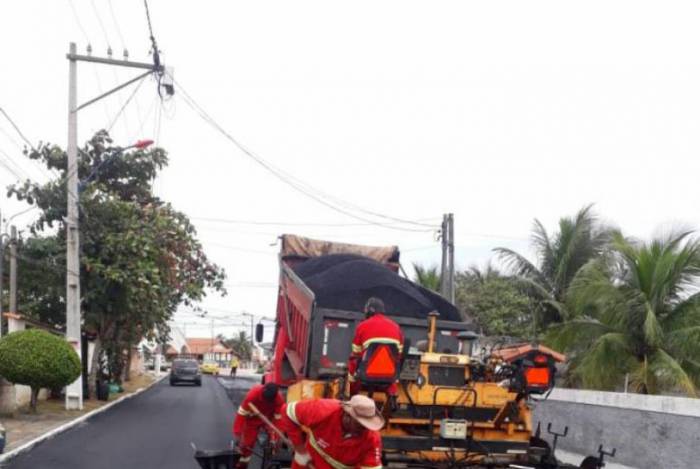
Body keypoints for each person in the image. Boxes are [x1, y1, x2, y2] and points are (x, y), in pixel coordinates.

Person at [278, 395, 384, 469]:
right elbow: (287, 412)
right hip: (308, 463)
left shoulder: (372, 437)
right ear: (348, 416)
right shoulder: (322, 410)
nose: (365, 429)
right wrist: (300, 450)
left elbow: (372, 466)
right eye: (360, 424)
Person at [348, 297, 404, 396]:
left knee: (354, 361)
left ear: (369, 310)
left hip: (367, 376)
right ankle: (392, 395)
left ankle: (353, 395)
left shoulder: (362, 326)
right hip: (389, 377)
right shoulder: (396, 327)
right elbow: (399, 356)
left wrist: (352, 384)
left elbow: (356, 355)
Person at [232, 382, 284, 469]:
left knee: (273, 443)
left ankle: (270, 461)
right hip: (253, 419)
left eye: (269, 400)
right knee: (247, 445)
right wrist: (238, 434)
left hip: (269, 419)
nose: (267, 401)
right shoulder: (252, 395)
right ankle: (242, 465)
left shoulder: (279, 400)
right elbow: (241, 415)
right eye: (265, 399)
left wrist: (277, 438)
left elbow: (278, 421)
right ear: (263, 391)